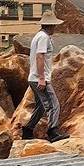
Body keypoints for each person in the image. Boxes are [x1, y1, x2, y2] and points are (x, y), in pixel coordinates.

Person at [22, 10, 68, 142]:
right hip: (39, 78)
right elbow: (39, 57)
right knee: (54, 104)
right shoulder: (43, 38)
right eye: (54, 26)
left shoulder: (38, 36)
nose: (55, 28)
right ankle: (52, 131)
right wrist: (42, 78)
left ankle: (28, 130)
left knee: (40, 105)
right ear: (51, 25)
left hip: (33, 77)